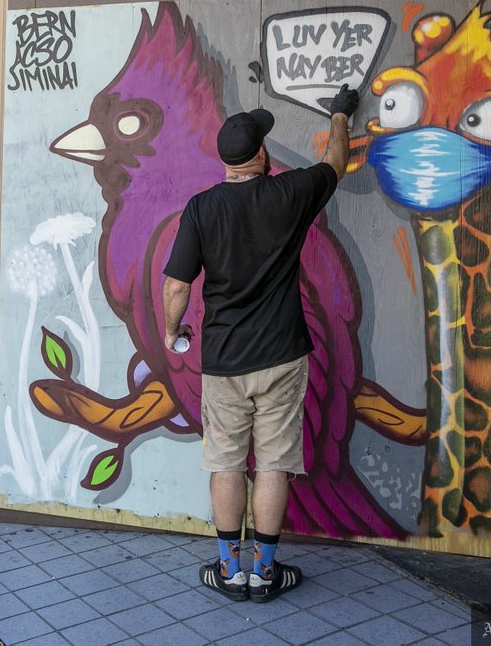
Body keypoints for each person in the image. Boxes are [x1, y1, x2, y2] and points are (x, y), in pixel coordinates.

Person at [161, 84, 359, 603]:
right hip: (282, 355)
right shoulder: (291, 192)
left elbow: (177, 285)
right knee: (273, 462)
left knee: (225, 462)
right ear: (261, 155)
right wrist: (340, 116)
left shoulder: (201, 209)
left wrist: (171, 330)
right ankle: (265, 573)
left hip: (224, 361)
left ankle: (230, 571)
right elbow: (336, 162)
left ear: (228, 162)